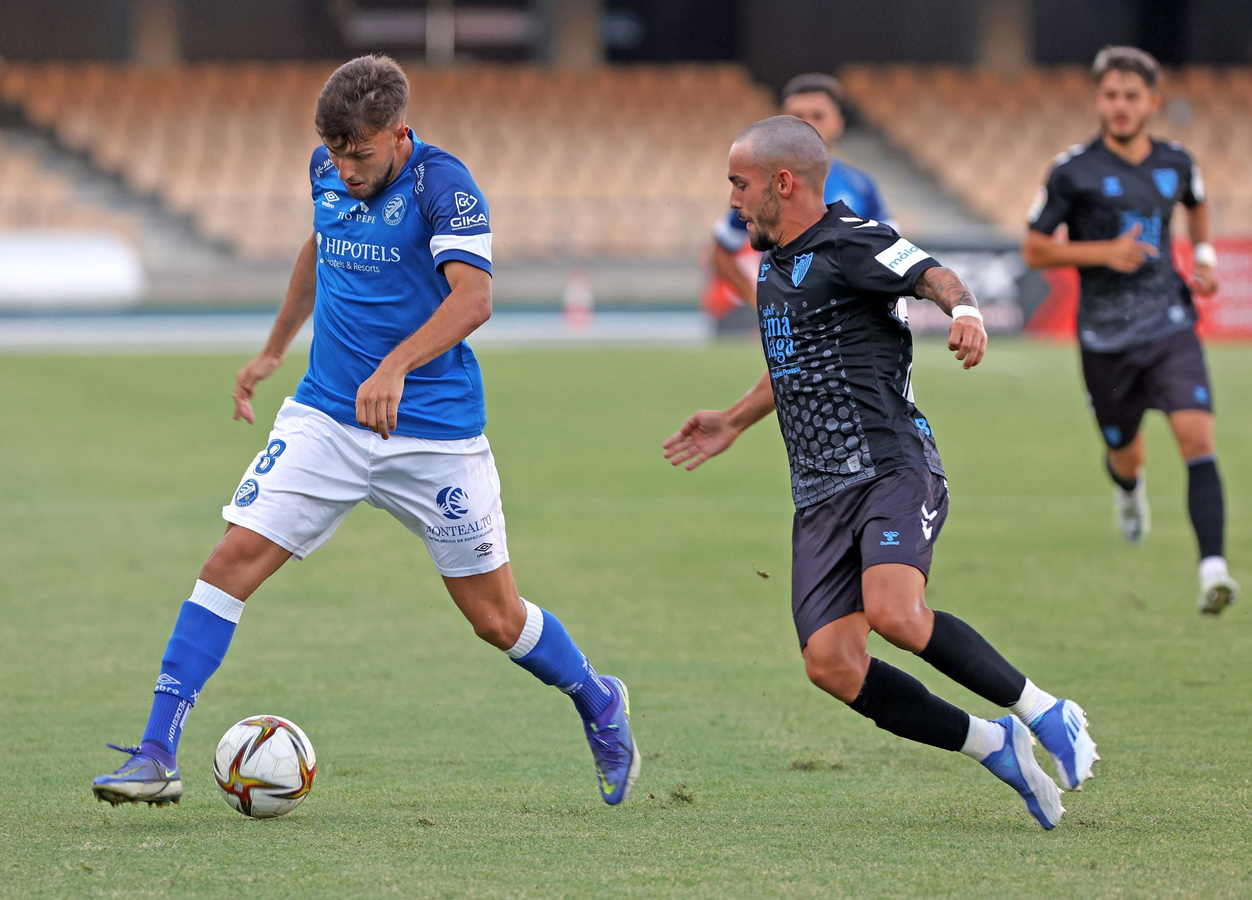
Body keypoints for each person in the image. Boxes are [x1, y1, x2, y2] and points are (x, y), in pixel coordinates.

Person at [90, 55, 639, 808]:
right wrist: (275, 348)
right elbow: (319, 249)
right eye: (338, 154)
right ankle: (156, 753)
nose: (347, 170)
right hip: (326, 419)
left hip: (434, 433)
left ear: (399, 136)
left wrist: (396, 367)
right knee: (229, 561)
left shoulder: (445, 186)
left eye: (362, 155)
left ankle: (597, 700)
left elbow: (474, 299)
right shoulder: (326, 169)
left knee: (496, 619)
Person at [664, 116, 1096, 829]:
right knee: (831, 664)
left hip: (892, 465)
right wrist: (734, 420)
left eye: (738, 184)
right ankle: (994, 745)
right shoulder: (773, 263)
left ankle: (1048, 713)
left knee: (896, 613)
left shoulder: (852, 240)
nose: (731, 199)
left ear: (783, 182)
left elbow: (932, 274)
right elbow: (793, 364)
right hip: (819, 494)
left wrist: (966, 311)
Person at [1022, 46, 1235, 614]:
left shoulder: (1177, 161)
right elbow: (1035, 248)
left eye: (1131, 96)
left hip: (1169, 323)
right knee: (1125, 452)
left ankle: (1213, 570)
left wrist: (1206, 256)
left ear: (1152, 102)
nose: (1120, 106)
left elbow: (1198, 202)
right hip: (1104, 336)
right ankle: (1128, 491)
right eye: (1111, 95)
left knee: (1197, 438)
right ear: (1098, 100)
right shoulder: (1072, 170)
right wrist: (1103, 251)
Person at [706, 73, 894, 324]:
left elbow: (889, 252)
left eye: (817, 116)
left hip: (847, 328)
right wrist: (759, 302)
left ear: (838, 122)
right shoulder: (763, 188)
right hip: (790, 329)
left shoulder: (861, 187)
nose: (807, 124)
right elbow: (721, 252)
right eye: (797, 117)